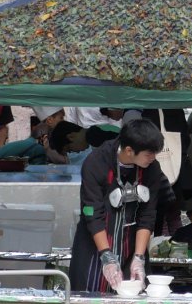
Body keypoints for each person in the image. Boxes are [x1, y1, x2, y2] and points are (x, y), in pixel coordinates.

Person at [72, 118, 180, 295]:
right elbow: (92, 213)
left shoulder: (152, 168)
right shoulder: (96, 162)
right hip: (96, 241)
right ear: (129, 151)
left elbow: (148, 214)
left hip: (131, 240)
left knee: (131, 297)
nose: (153, 159)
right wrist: (107, 256)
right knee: (91, 300)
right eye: (148, 154)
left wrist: (138, 258)